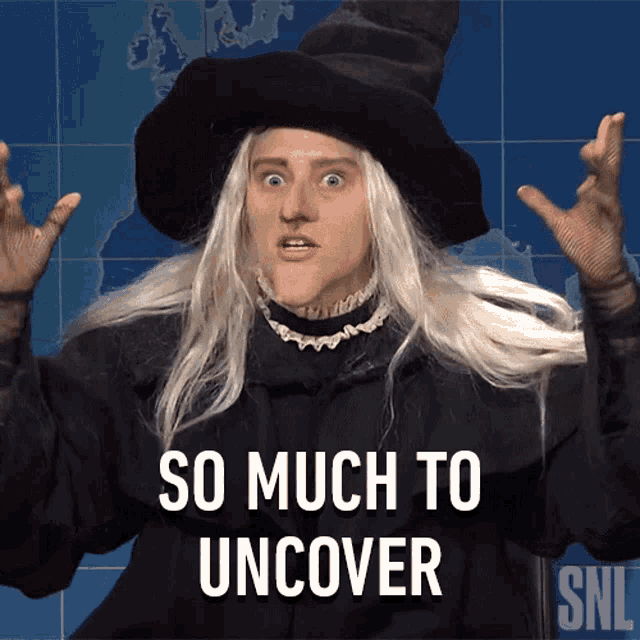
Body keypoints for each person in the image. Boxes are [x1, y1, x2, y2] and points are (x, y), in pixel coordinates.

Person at [1, 1, 639, 638]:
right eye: (272, 178)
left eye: (332, 180)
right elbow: (27, 541)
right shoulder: (150, 361)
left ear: (385, 207)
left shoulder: (485, 378)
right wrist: (5, 312)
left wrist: (611, 294)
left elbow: (618, 512)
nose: (295, 209)